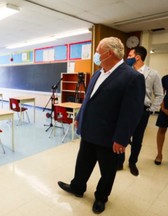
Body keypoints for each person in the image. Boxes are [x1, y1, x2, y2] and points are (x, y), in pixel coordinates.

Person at [57, 37, 145, 214]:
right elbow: (88, 98)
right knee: (82, 163)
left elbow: (132, 112)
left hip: (109, 136)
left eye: (98, 50)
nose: (96, 53)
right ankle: (77, 187)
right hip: (89, 130)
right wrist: (80, 116)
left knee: (107, 171)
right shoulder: (98, 72)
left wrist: (121, 138)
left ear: (109, 53)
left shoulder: (132, 77)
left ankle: (101, 197)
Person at [117, 46, 163, 176]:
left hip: (142, 110)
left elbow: (159, 94)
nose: (127, 57)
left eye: (130, 55)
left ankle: (133, 162)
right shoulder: (124, 71)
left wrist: (151, 109)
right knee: (122, 136)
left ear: (137, 57)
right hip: (125, 109)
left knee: (137, 139)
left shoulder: (152, 73)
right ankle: (119, 161)